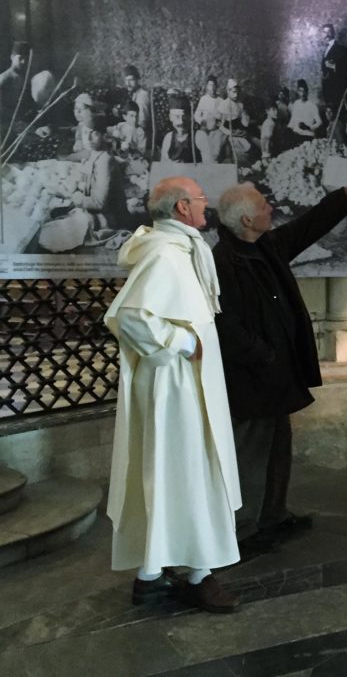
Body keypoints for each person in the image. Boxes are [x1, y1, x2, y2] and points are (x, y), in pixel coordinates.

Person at [104, 176, 242, 613]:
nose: (207, 205)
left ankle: (152, 576)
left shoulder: (179, 247)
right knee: (185, 470)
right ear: (183, 207)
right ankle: (197, 573)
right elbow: (129, 317)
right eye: (202, 199)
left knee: (176, 472)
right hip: (176, 385)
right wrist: (183, 344)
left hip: (184, 383)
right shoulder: (166, 252)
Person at [212, 174, 347, 556]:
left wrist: (342, 197)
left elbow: (306, 227)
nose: (271, 209)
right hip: (250, 377)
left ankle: (274, 515)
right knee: (251, 452)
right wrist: (262, 354)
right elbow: (224, 325)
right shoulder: (223, 262)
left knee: (280, 445)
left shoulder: (267, 246)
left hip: (277, 374)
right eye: (264, 206)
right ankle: (243, 530)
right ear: (247, 220)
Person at [74, 129, 130, 231]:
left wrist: (75, 200)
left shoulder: (105, 160)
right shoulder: (93, 154)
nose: (89, 139)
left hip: (111, 220)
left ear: (104, 136)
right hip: (99, 212)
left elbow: (100, 203)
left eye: (95, 133)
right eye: (86, 132)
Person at [321, 23, 347, 113]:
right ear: (322, 34)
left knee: (340, 116)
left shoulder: (341, 49)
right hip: (328, 91)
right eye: (324, 32)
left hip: (337, 90)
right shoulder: (325, 50)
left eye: (329, 32)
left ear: (333, 33)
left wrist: (333, 66)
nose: (326, 34)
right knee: (331, 117)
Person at [160, 94, 195, 162]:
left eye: (184, 117)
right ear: (170, 117)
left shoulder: (198, 137)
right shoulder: (168, 138)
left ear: (189, 117)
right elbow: (163, 166)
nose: (181, 122)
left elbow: (209, 167)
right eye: (177, 117)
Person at [0, 40, 30, 120]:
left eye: (26, 59)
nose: (23, 62)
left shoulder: (25, 78)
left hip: (21, 120)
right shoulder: (4, 79)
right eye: (20, 58)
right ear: (12, 57)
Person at [122, 64, 152, 133]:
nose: (128, 84)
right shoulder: (134, 93)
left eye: (131, 80)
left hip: (142, 134)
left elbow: (143, 122)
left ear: (138, 80)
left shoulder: (142, 95)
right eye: (126, 80)